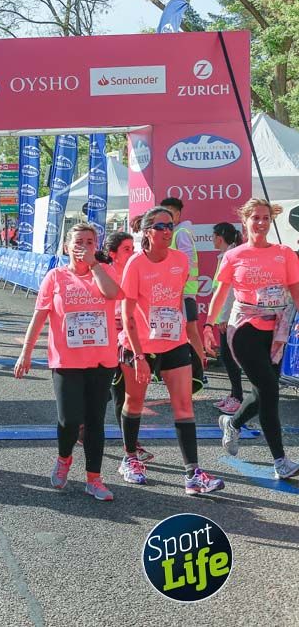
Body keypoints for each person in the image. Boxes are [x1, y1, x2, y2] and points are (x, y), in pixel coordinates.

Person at [118, 207, 224, 494]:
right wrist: (138, 355)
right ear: (147, 232)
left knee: (184, 406)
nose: (168, 231)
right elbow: (126, 314)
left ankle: (193, 474)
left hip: (174, 343)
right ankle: (130, 458)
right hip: (139, 345)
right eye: (161, 226)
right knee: (134, 402)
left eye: (171, 226)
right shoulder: (135, 265)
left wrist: (194, 343)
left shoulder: (180, 260)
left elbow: (180, 303)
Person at [15, 223, 121, 501]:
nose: (84, 246)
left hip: (101, 359)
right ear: (66, 246)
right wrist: (26, 351)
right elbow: (40, 315)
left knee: (96, 421)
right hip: (67, 360)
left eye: (89, 241)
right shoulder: (55, 277)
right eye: (78, 242)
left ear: (95, 246)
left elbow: (113, 294)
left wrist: (95, 266)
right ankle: (64, 459)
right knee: (69, 420)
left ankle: (94, 479)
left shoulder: (105, 271)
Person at [205, 199, 299, 480]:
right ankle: (280, 461)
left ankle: (232, 423)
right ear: (245, 221)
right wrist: (209, 325)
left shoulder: (285, 254)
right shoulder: (234, 256)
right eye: (255, 218)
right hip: (244, 329)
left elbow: (296, 290)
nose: (260, 223)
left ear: (271, 221)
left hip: (276, 331)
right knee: (270, 393)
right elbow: (220, 294)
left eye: (266, 218)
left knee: (262, 392)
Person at [95, 231, 153, 462]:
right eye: (127, 249)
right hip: (107, 340)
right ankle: (81, 423)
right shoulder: (104, 273)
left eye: (133, 247)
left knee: (123, 394)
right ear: (113, 254)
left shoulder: (137, 270)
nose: (133, 252)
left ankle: (130, 443)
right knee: (110, 392)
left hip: (130, 339)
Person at [159, 197, 206, 391]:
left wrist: (177, 285)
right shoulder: (174, 232)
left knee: (191, 331)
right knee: (181, 331)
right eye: (165, 213)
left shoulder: (181, 233)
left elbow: (184, 262)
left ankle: (200, 373)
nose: (168, 217)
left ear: (179, 214)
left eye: (171, 213)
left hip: (183, 293)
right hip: (176, 293)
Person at [206, 222, 245, 415]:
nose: (212, 240)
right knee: (228, 359)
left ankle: (238, 398)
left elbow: (229, 292)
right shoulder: (224, 256)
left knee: (230, 359)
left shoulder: (229, 257)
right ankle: (234, 395)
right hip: (228, 317)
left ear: (219, 238)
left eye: (213, 237)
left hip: (230, 318)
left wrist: (223, 317)